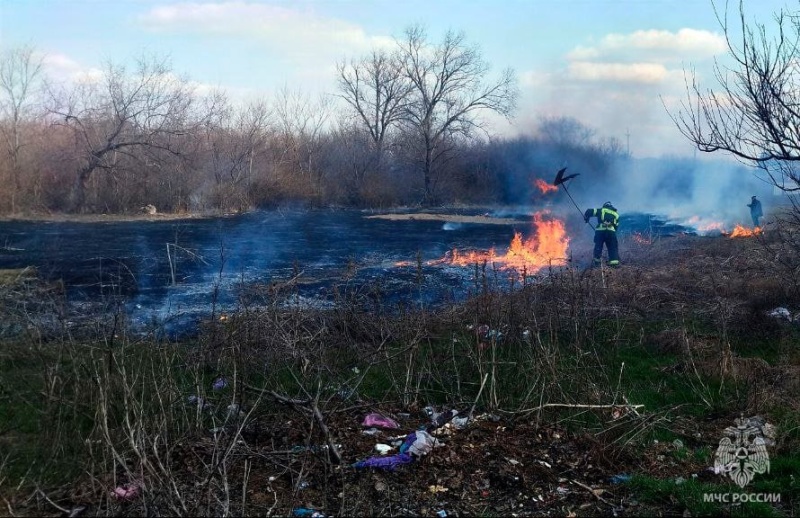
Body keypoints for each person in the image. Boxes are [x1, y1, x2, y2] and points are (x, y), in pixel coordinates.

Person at [584, 201, 620, 267]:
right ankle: (614, 263)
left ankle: (597, 263)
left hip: (600, 232)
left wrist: (586, 218)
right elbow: (616, 226)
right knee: (612, 247)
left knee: (598, 246)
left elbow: (589, 211)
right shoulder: (616, 214)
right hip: (611, 233)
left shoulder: (602, 210)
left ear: (605, 206)